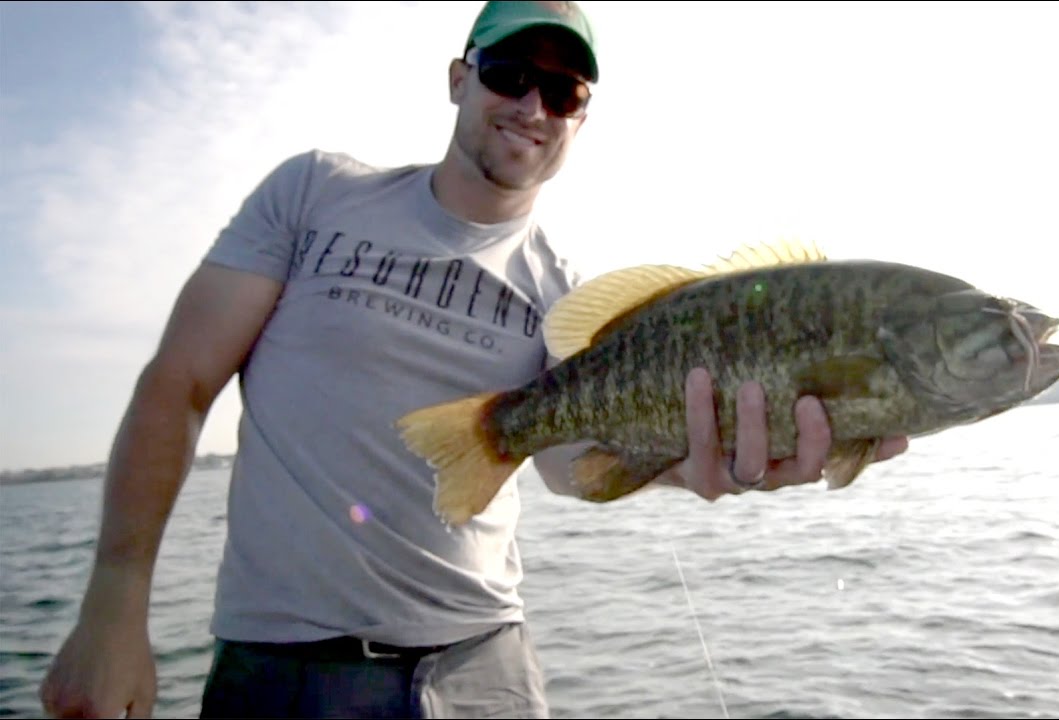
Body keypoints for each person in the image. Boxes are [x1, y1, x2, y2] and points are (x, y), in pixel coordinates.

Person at [39, 2, 909, 718]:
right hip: (285, 667)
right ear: (459, 78)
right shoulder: (315, 193)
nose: (532, 106)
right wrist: (114, 604)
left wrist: (704, 461)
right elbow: (180, 384)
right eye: (508, 74)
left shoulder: (568, 298)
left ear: (580, 118)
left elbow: (576, 467)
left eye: (563, 92)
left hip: (486, 666)